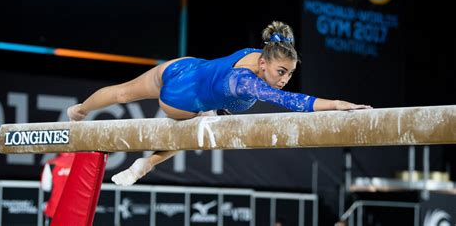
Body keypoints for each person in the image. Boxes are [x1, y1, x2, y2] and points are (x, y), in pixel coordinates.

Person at [67, 21, 371, 186]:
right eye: (281, 72)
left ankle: (78, 110)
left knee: (122, 93)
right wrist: (337, 104)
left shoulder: (261, 52)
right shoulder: (247, 81)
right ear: (264, 64)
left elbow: (280, 67)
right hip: (179, 101)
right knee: (199, 126)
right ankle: (146, 164)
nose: (285, 79)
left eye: (290, 74)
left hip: (183, 67)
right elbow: (291, 101)